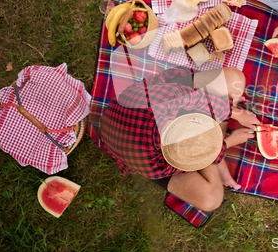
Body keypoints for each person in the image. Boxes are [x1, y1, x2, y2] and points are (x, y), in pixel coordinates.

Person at [99, 66, 260, 212]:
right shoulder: (154, 166)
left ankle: (215, 153)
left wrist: (237, 114)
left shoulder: (166, 99)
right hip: (123, 143)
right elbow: (192, 161)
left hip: (131, 111)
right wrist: (228, 143)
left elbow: (196, 99)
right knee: (211, 199)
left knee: (234, 78)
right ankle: (217, 157)